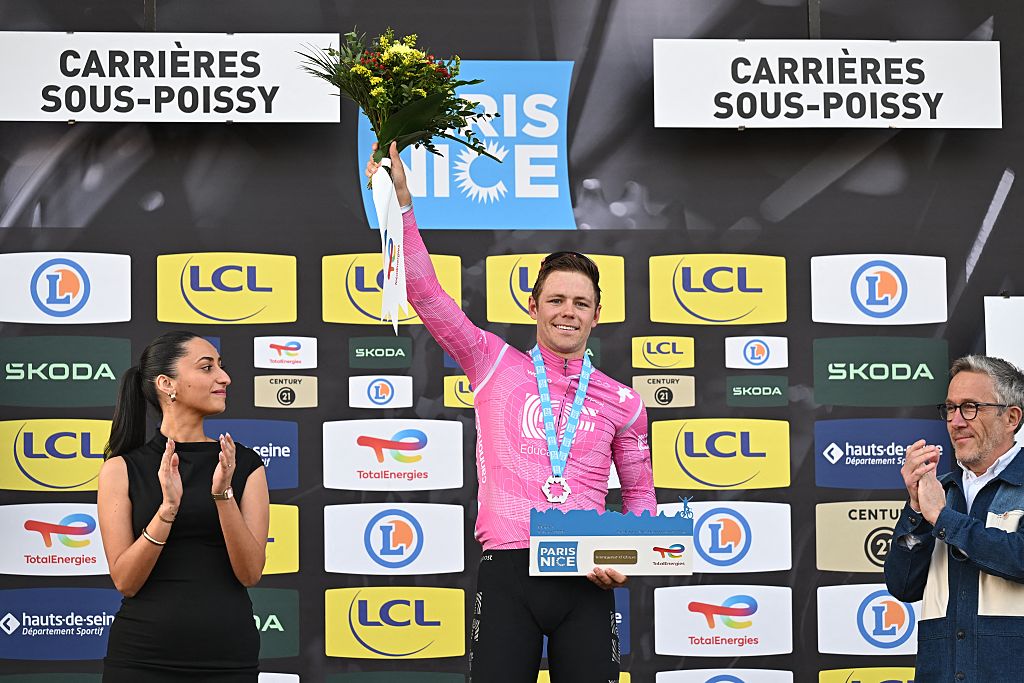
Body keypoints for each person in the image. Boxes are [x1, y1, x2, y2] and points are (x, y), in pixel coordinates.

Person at [367, 143, 656, 683]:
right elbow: (424, 293)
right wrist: (402, 204)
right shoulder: (491, 363)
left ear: (597, 315)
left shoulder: (624, 401)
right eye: (556, 300)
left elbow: (641, 498)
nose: (568, 312)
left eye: (580, 303)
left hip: (587, 581)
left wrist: (626, 560)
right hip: (508, 572)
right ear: (533, 306)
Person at [97, 331, 269, 682]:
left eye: (221, 366)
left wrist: (222, 495)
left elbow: (250, 573)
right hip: (142, 658)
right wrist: (168, 509)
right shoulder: (121, 469)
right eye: (207, 368)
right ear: (166, 384)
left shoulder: (244, 465)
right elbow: (126, 580)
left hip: (228, 658)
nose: (224, 377)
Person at [885, 355, 1024, 683]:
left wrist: (943, 518)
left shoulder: (941, 505)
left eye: (971, 407)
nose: (956, 421)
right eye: (950, 408)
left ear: (1011, 418)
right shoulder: (940, 490)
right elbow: (903, 585)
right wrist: (916, 509)